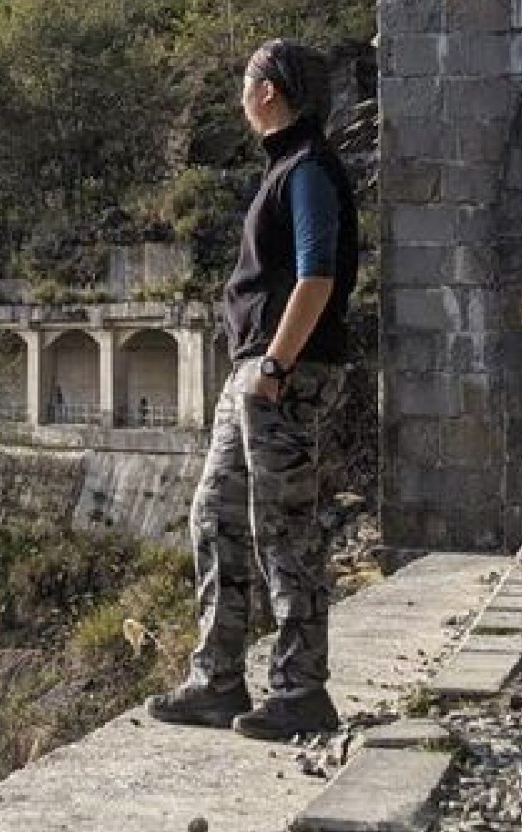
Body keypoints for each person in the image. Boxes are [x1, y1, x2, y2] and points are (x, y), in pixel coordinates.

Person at [147, 38, 359, 740]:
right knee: (216, 517)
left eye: (246, 81)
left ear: (268, 91)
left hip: (282, 375)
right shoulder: (288, 168)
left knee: (284, 529)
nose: (240, 94)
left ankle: (301, 689)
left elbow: (317, 275)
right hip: (259, 375)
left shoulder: (307, 170)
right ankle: (217, 680)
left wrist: (273, 365)